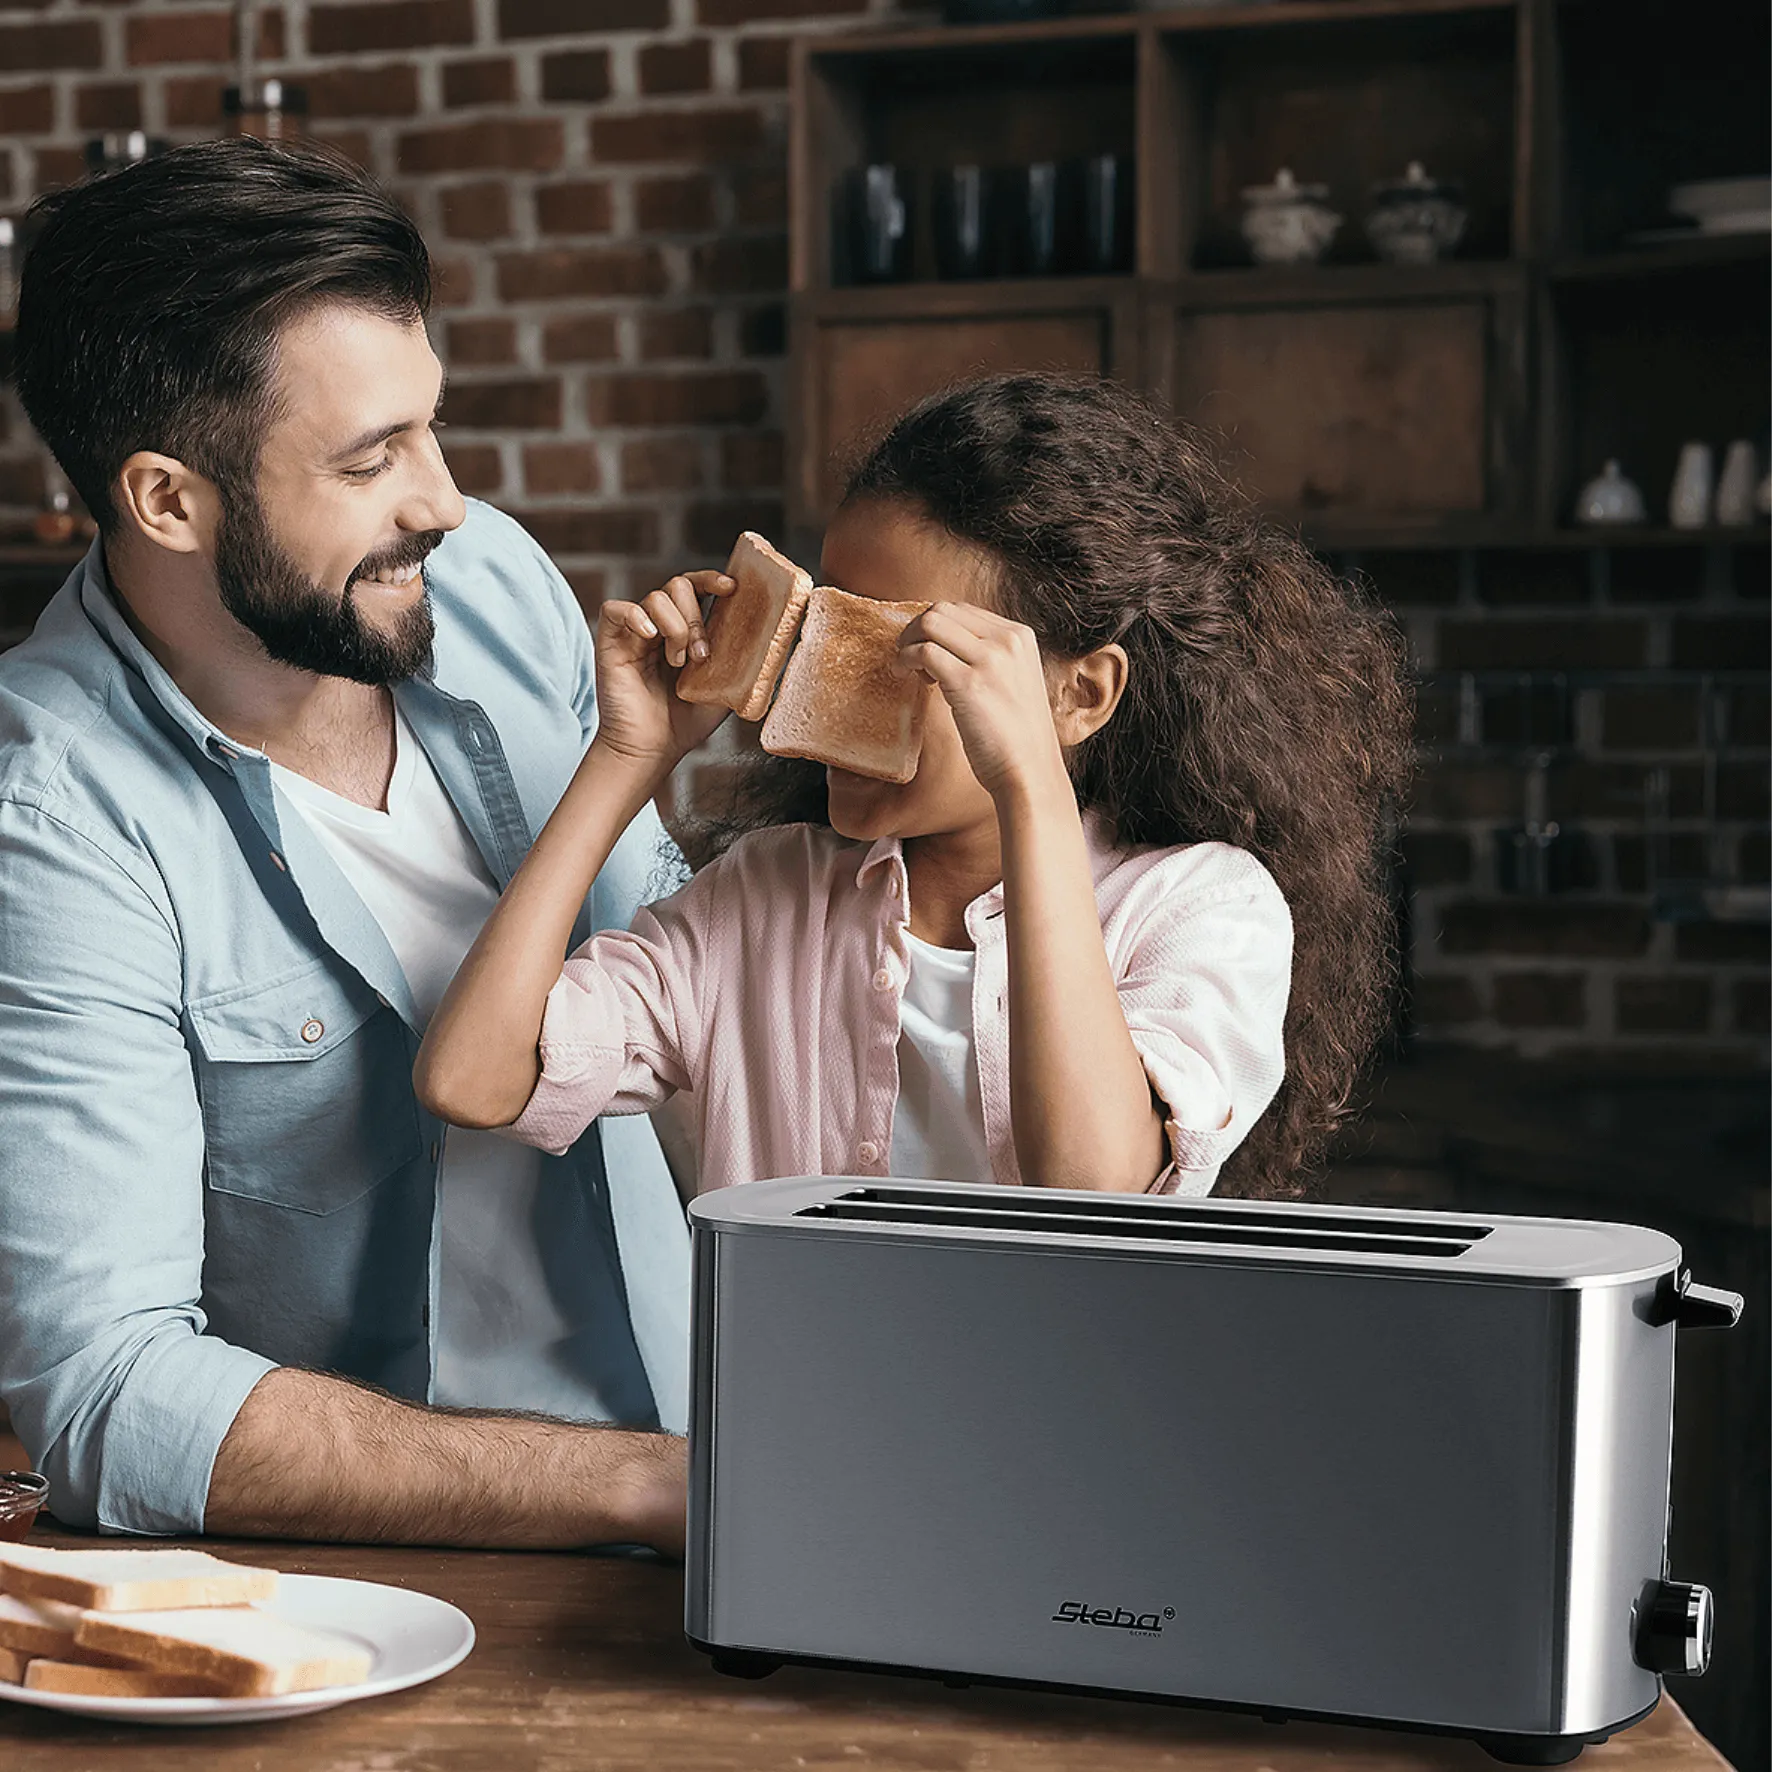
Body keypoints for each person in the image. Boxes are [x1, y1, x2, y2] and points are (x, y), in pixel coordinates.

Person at [0, 137, 689, 1551]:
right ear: (167, 501)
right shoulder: (49, 819)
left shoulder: (486, 580)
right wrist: (665, 1489)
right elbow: (109, 1392)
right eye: (372, 458)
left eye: (430, 428)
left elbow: (677, 983)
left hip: (730, 1431)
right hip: (408, 1571)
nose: (441, 500)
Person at [415, 375, 1413, 1201]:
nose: (823, 693)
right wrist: (625, 760)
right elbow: (469, 1077)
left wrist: (1027, 787)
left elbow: (1097, 1188)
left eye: (912, 650)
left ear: (1081, 693)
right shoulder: (762, 899)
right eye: (828, 635)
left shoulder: (1199, 902)